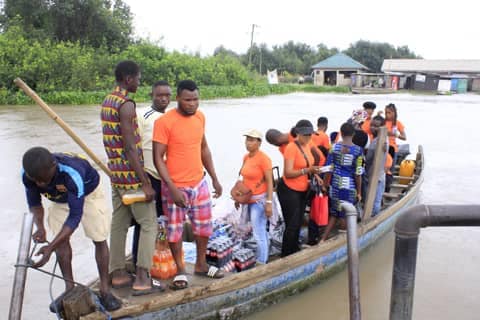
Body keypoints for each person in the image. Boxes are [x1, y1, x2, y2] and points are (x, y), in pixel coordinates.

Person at [21, 147, 121, 312]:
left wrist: (50, 247)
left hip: (88, 193)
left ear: (54, 166)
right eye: (36, 180)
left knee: (99, 238)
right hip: (59, 199)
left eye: (43, 180)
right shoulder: (28, 175)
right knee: (61, 242)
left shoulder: (72, 172)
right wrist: (40, 228)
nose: (40, 184)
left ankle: (105, 290)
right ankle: (70, 288)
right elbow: (34, 204)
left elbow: (75, 216)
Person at [153, 80, 224, 290]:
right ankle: (180, 270)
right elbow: (158, 158)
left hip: (199, 182)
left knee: (204, 227)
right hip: (175, 185)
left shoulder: (200, 117)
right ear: (178, 99)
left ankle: (201, 264)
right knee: (174, 231)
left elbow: (204, 149)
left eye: (196, 99)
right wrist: (172, 188)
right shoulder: (164, 122)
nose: (193, 104)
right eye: (188, 100)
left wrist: (214, 178)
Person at [100, 60, 160, 296]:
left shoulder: (108, 100)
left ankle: (117, 274)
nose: (139, 81)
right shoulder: (126, 105)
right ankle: (143, 277)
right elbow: (129, 147)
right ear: (128, 79)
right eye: (137, 78)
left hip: (115, 176)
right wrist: (145, 182)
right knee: (148, 223)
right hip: (130, 177)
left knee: (119, 223)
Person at [131, 80, 172, 266]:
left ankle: (160, 256)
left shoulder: (172, 117)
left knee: (164, 220)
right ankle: (137, 260)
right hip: (149, 176)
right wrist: (141, 178)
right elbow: (133, 147)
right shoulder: (143, 116)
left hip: (168, 178)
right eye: (159, 95)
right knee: (145, 221)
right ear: (152, 96)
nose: (163, 99)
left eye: (167, 96)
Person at [276, 119, 323, 257]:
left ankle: (294, 249)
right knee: (292, 224)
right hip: (289, 190)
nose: (309, 137)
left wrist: (314, 174)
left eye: (310, 135)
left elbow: (307, 165)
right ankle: (286, 254)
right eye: (306, 135)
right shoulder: (291, 147)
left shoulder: (307, 145)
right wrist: (307, 170)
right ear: (299, 134)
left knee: (298, 222)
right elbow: (288, 173)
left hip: (302, 189)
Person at [235, 129, 273, 264]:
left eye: (252, 140)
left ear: (259, 143)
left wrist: (269, 202)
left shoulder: (264, 159)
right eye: (247, 139)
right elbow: (244, 178)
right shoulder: (246, 157)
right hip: (248, 199)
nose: (248, 143)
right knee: (259, 231)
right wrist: (238, 196)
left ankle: (262, 261)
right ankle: (264, 256)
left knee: (258, 232)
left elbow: (270, 181)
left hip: (259, 201)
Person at [321, 123, 364, 242]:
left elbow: (328, 169)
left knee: (335, 213)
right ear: (353, 134)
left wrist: (325, 185)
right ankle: (343, 240)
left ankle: (323, 239)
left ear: (341, 132)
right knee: (346, 214)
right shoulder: (358, 151)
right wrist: (359, 192)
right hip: (349, 187)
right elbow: (358, 173)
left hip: (335, 185)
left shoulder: (333, 148)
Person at [364, 115, 388, 216]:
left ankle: (371, 222)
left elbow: (368, 159)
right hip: (379, 174)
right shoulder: (383, 139)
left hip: (375, 176)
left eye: (376, 126)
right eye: (372, 125)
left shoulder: (377, 142)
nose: (373, 128)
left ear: (382, 127)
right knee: (376, 201)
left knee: (374, 203)